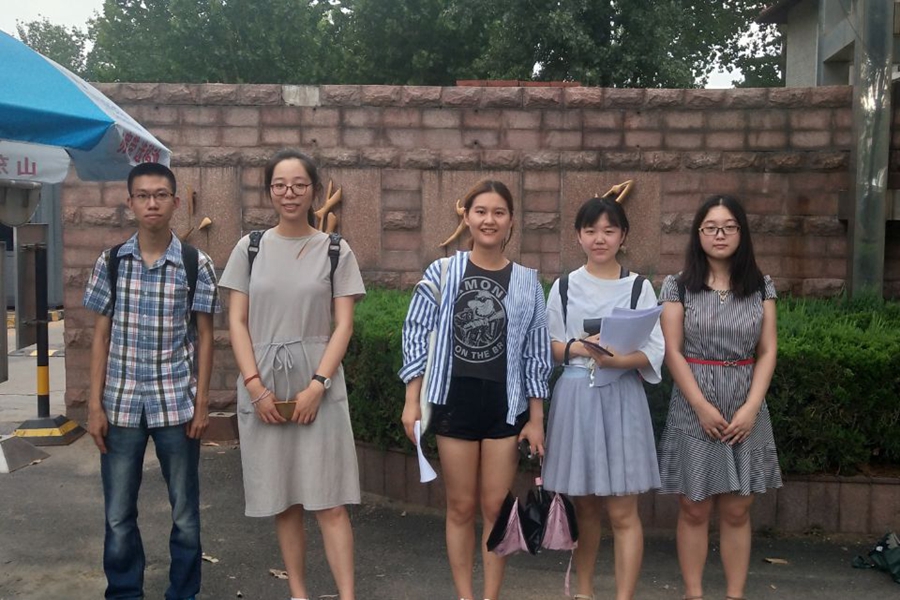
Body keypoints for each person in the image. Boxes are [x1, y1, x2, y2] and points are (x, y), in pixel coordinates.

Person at [219, 149, 366, 600]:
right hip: (263, 381)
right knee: (283, 501)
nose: (289, 193)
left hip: (319, 380)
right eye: (280, 185)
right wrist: (254, 386)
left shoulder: (336, 250)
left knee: (330, 500)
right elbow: (236, 321)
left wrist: (318, 385)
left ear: (314, 191)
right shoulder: (250, 248)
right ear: (269, 191)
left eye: (299, 184)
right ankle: (298, 593)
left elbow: (343, 325)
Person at [399, 180, 552, 600]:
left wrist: (536, 419)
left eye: (499, 212)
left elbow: (537, 352)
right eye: (480, 211)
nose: (489, 220)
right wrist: (412, 400)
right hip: (455, 401)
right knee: (461, 506)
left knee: (496, 508)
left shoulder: (527, 282)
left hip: (506, 406)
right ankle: (465, 595)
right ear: (466, 217)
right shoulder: (443, 271)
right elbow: (416, 332)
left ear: (511, 221)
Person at [84, 162, 220, 600]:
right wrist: (94, 406)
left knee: (185, 512)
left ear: (175, 202)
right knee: (118, 513)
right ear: (130, 203)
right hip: (121, 406)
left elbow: (205, 336)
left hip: (176, 405)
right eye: (142, 195)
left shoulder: (195, 264)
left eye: (161, 195)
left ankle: (183, 592)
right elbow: (101, 336)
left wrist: (202, 404)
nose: (152, 203)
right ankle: (125, 591)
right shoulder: (111, 262)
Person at [657, 195, 781, 600]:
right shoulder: (677, 286)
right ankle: (693, 593)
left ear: (741, 233)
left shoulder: (761, 286)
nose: (720, 234)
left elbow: (768, 350)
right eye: (710, 227)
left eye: (729, 227)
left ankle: (734, 594)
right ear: (698, 234)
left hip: (746, 402)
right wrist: (701, 406)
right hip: (693, 403)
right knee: (694, 507)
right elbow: (672, 351)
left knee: (737, 509)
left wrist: (752, 407)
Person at [541, 196, 664, 600]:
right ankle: (584, 592)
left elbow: (655, 349)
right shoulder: (563, 287)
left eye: (609, 231)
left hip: (622, 396)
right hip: (576, 396)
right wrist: (579, 347)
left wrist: (617, 360)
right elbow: (549, 346)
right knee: (586, 507)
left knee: (624, 511)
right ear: (578, 236)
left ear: (623, 236)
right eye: (591, 230)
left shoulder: (639, 287)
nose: (600, 239)